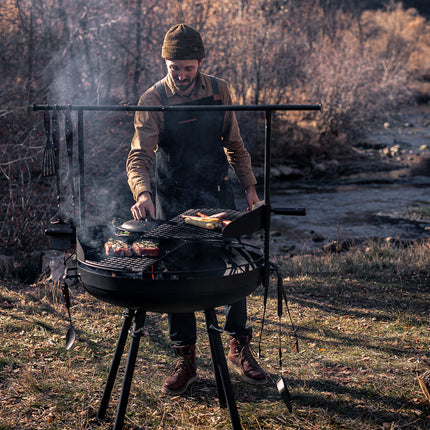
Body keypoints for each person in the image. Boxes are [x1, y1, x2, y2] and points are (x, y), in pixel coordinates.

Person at [126, 23, 266, 395]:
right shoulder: (153, 98)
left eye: (188, 67)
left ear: (200, 62)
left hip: (217, 194)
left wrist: (250, 190)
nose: (182, 75)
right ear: (165, 63)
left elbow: (235, 145)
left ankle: (239, 346)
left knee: (236, 264)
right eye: (175, 67)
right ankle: (185, 359)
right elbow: (139, 155)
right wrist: (142, 194)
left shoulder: (220, 91)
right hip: (173, 198)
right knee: (178, 276)